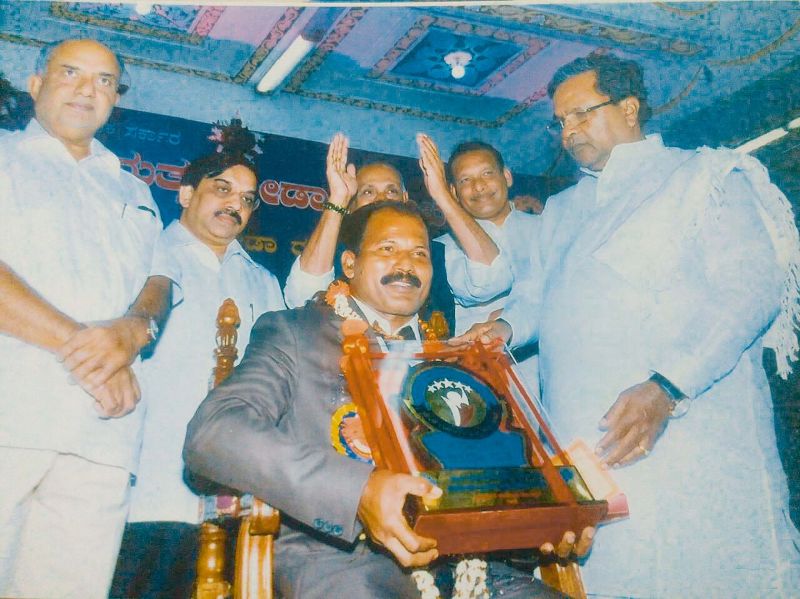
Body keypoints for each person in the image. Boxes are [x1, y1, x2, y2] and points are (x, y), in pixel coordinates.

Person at [458, 52, 800, 597]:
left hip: (689, 437)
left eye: (580, 114)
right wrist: (502, 331)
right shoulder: (564, 208)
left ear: (631, 108)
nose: (568, 132)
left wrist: (667, 388)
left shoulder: (703, 175)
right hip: (591, 452)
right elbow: (536, 297)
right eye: (560, 122)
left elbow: (751, 289)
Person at [183, 200, 584, 599]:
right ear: (351, 264)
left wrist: (546, 524)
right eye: (387, 249)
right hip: (342, 566)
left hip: (476, 572)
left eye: (420, 254)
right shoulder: (295, 333)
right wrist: (360, 492)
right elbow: (214, 433)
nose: (406, 265)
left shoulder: (452, 359)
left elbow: (492, 485)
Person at [0, 39, 170, 598]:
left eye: (103, 81)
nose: (87, 89)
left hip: (103, 435)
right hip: (11, 420)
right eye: (71, 72)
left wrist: (133, 330)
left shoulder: (134, 187)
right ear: (35, 83)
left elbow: (160, 282)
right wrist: (95, 352)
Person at [110, 128, 286, 597]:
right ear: (186, 193)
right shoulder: (142, 258)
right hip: (147, 488)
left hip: (234, 492)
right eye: (222, 189)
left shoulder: (263, 281)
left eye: (247, 199)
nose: (235, 205)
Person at [283, 133, 514, 335]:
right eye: (368, 192)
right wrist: (337, 200)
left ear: (405, 199)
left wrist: (442, 194)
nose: (382, 199)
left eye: (391, 190)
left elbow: (492, 278)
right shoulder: (334, 251)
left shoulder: (434, 253)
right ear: (351, 204)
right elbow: (302, 296)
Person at [420, 138, 541, 392]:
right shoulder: (441, 247)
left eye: (487, 173)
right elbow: (482, 285)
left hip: (540, 374)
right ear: (453, 191)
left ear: (506, 176)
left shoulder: (546, 228)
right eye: (465, 180)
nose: (479, 186)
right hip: (474, 377)